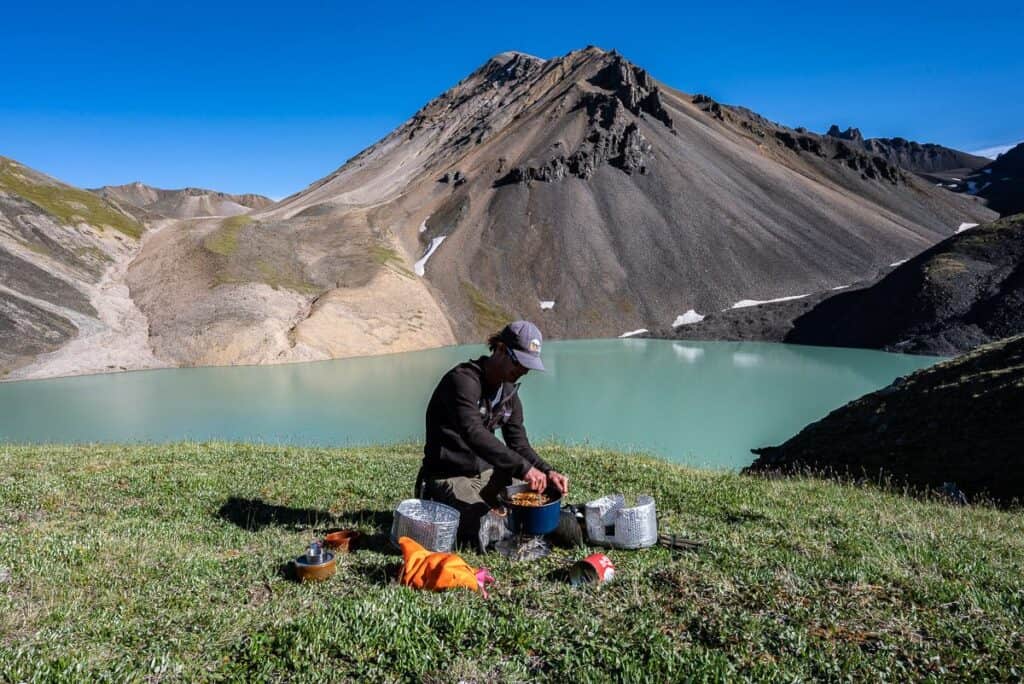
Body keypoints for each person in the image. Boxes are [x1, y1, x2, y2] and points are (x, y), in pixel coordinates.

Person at [416, 320, 569, 547]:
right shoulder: (462, 381)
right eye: (520, 363)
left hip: (487, 475)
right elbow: (473, 433)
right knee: (487, 530)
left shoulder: (509, 393)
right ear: (499, 349)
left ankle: (521, 518)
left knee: (540, 498)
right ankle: (488, 518)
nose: (524, 371)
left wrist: (547, 471)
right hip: (448, 477)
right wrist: (524, 469)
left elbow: (519, 444)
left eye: (529, 365)